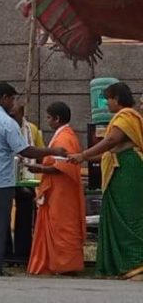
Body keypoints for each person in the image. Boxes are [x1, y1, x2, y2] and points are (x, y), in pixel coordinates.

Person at [0, 82, 67, 277]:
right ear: (4, 98)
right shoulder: (6, 122)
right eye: (13, 99)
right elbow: (25, 150)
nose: (14, 104)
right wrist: (53, 150)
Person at [69, 82, 143, 280]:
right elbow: (109, 152)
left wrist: (83, 155)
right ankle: (120, 266)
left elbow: (111, 141)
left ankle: (137, 265)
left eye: (108, 99)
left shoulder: (126, 117)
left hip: (128, 171)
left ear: (117, 98)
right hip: (119, 170)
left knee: (128, 218)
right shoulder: (123, 117)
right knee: (115, 218)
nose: (107, 104)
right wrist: (78, 157)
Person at [27, 102, 85, 275]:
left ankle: (65, 265)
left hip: (62, 193)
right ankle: (56, 263)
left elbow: (62, 167)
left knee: (62, 226)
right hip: (58, 191)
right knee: (58, 225)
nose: (48, 121)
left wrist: (40, 169)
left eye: (49, 118)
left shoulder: (64, 138)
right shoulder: (65, 135)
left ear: (57, 119)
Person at [5, 104, 45, 263]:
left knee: (26, 214)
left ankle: (23, 253)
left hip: (27, 178)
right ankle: (6, 254)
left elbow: (40, 151)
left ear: (22, 113)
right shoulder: (5, 126)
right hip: (6, 178)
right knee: (2, 216)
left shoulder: (32, 130)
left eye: (14, 115)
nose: (12, 118)